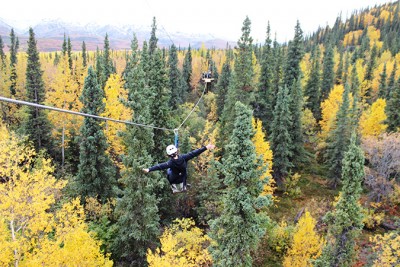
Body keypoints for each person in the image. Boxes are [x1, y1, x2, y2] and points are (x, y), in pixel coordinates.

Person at [143, 143, 215, 193]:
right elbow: (194, 153)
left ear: (168, 155)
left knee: (168, 171)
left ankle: (174, 188)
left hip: (174, 179)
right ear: (176, 151)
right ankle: (184, 186)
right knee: (183, 172)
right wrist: (206, 147)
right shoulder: (184, 158)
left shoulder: (170, 163)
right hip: (183, 177)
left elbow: (160, 166)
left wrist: (149, 169)